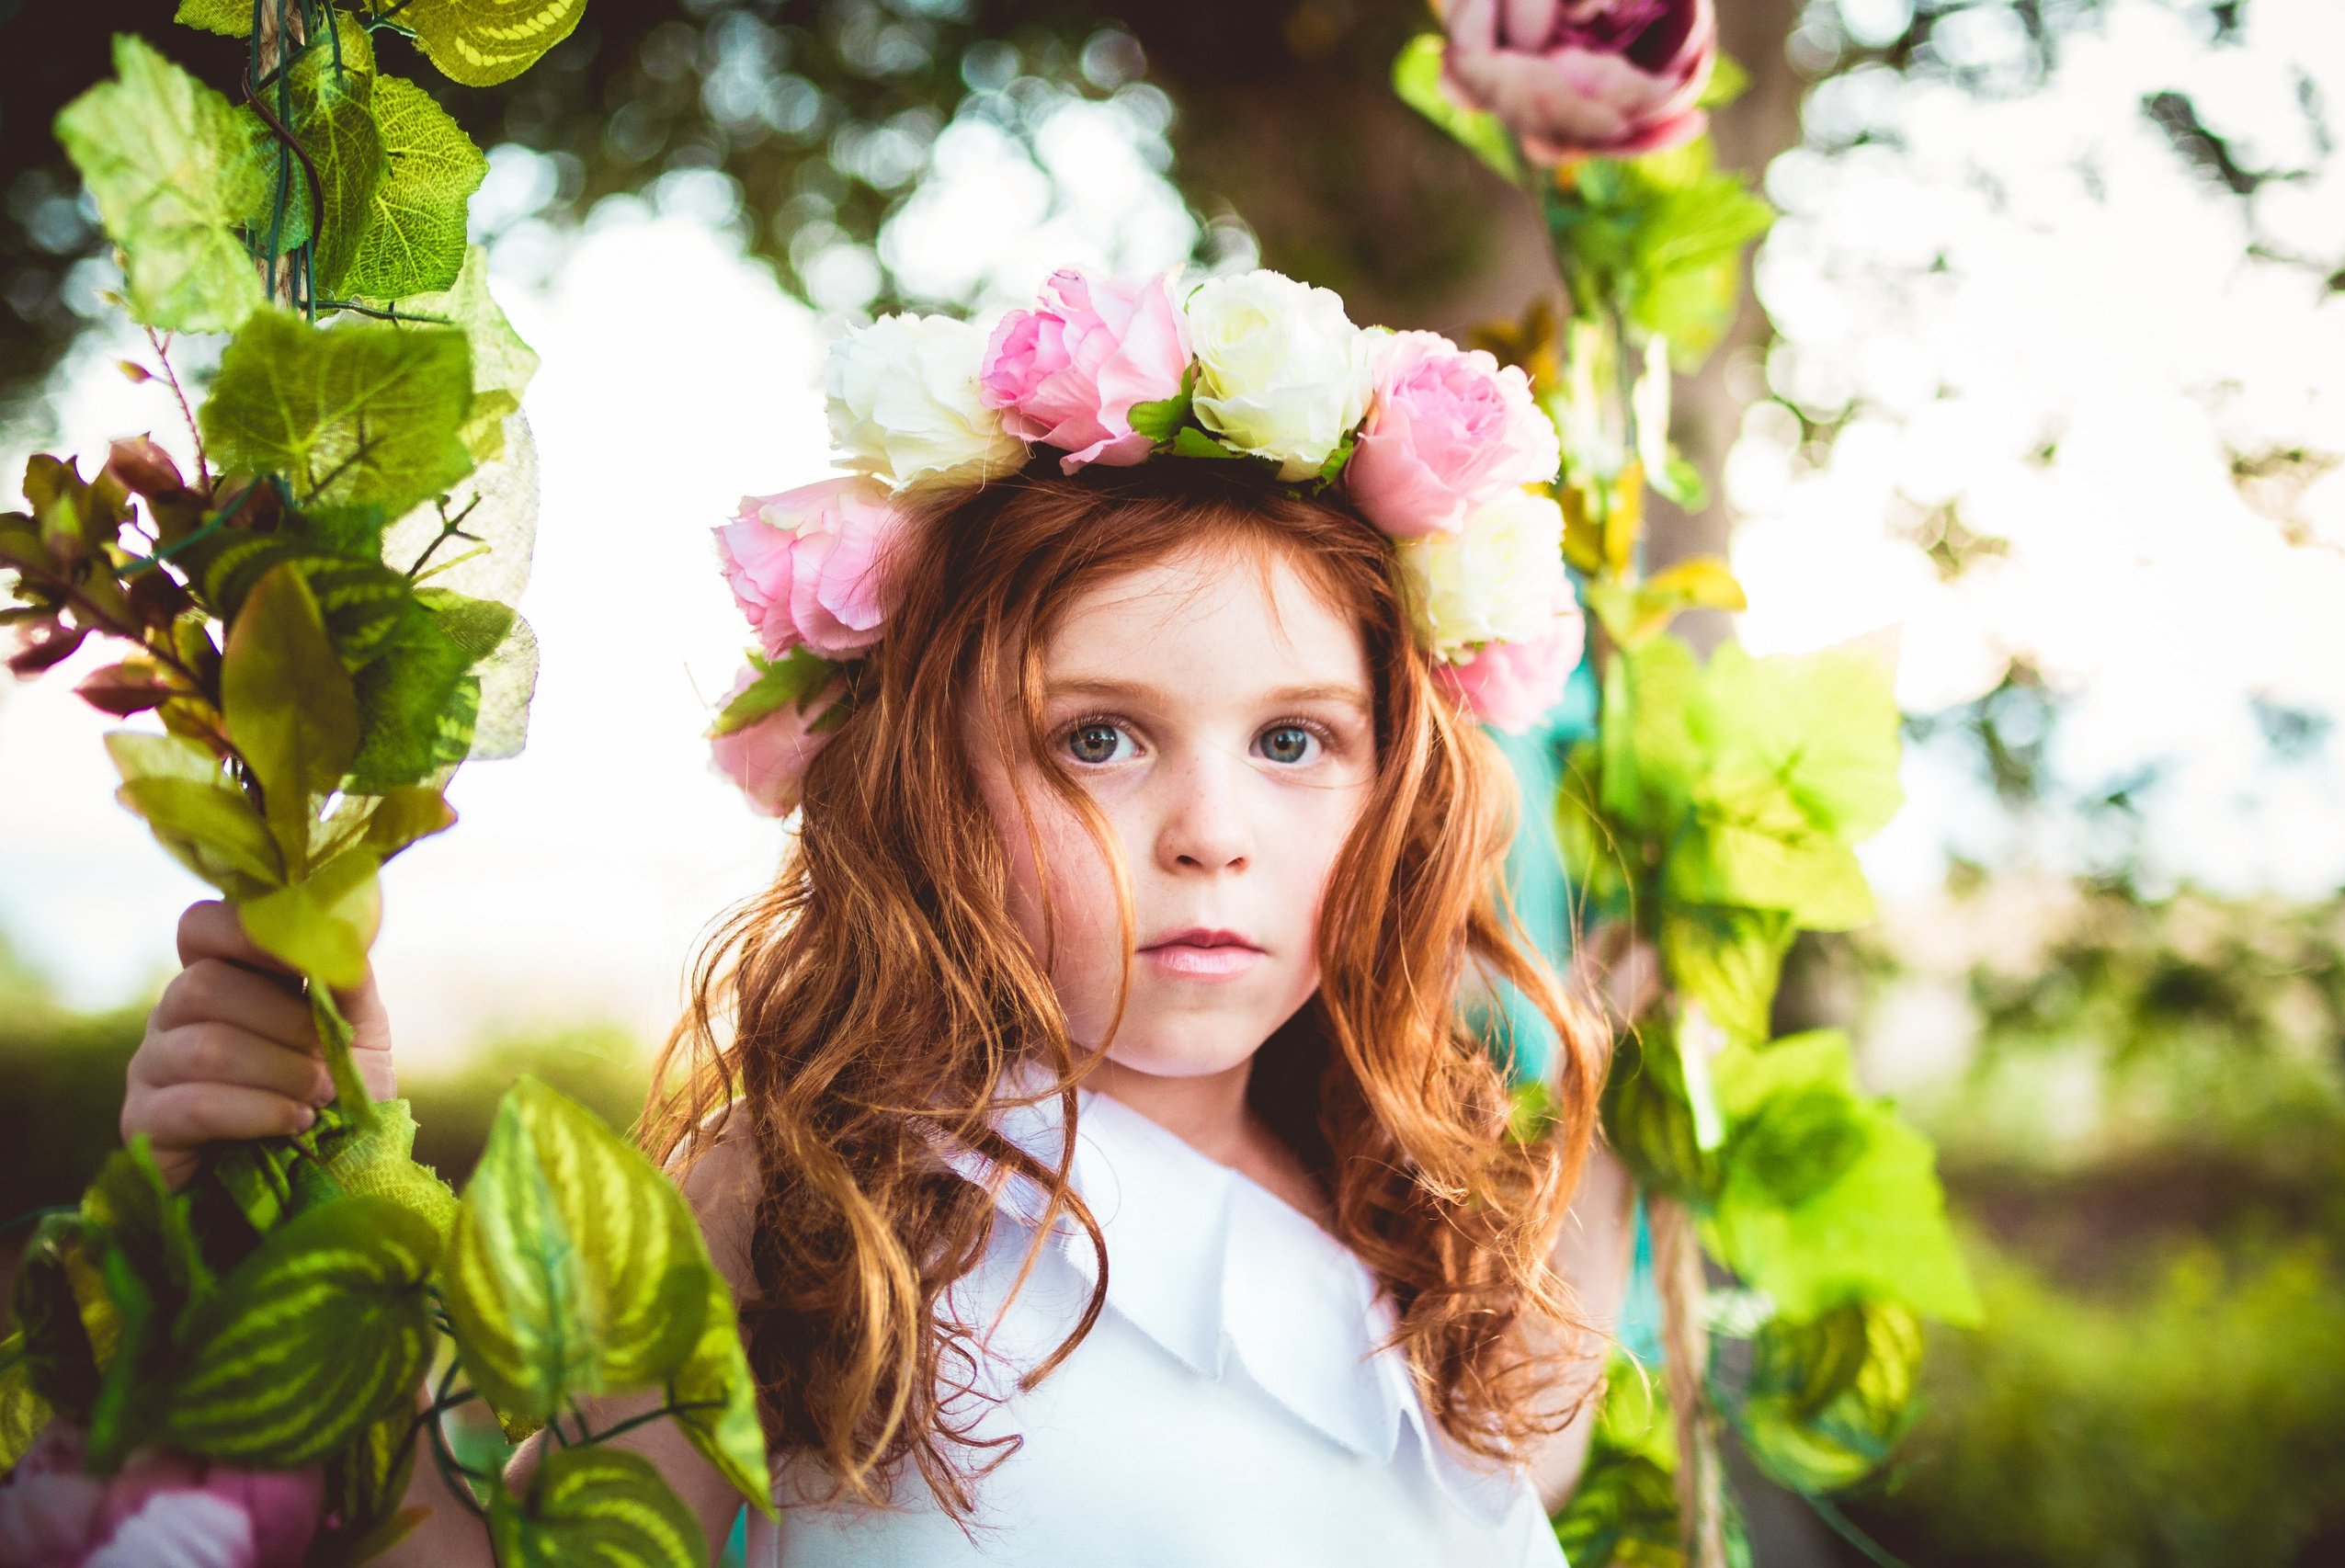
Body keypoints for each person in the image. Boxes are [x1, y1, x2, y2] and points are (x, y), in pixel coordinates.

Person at [118, 267, 1634, 1565]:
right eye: (1098, 738)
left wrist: (1639, 1097)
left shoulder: (1417, 1186)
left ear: (1394, 789)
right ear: (935, 785)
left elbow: (1494, 1478)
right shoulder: (813, 1197)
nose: (1213, 837)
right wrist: (315, 1201)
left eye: (1292, 742)